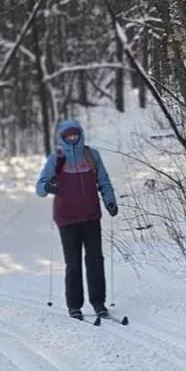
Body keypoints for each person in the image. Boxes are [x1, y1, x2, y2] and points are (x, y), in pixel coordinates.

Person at [36, 118, 118, 319]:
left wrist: (110, 202)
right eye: (68, 135)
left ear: (81, 135)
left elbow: (104, 181)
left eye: (75, 134)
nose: (72, 138)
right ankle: (74, 305)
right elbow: (40, 186)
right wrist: (47, 187)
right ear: (62, 137)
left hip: (91, 216)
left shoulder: (91, 155)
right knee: (73, 263)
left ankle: (98, 302)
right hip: (67, 218)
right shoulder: (57, 158)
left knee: (95, 260)